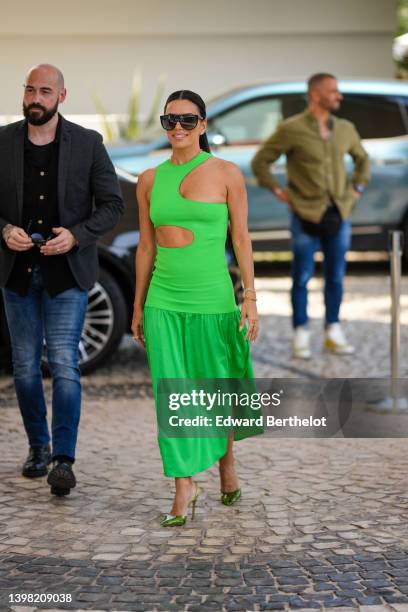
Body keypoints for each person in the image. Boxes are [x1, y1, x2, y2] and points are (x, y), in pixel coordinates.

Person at [132, 90, 261, 526]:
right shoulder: (149, 179)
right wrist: (137, 307)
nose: (179, 129)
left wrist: (251, 299)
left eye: (188, 121)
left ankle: (226, 464)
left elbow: (241, 240)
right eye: (171, 121)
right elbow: (145, 248)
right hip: (163, 301)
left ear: (203, 125)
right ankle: (184, 483)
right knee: (174, 394)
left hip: (213, 299)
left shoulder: (227, 173)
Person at [0, 64, 124, 496]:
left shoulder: (88, 144)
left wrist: (76, 236)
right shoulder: (3, 141)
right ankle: (38, 445)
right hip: (15, 272)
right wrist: (4, 230)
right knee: (25, 369)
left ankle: (62, 459)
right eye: (30, 90)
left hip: (67, 273)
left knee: (66, 365)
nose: (35, 98)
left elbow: (111, 205)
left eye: (45, 91)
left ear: (62, 96)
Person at [251, 73, 370, 359]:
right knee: (301, 277)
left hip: (339, 213)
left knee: (336, 276)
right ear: (315, 95)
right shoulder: (291, 129)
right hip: (304, 214)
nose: (339, 96)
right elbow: (260, 162)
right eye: (333, 91)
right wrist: (280, 193)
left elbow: (362, 159)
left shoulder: (345, 128)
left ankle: (333, 330)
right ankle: (301, 333)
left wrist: (357, 189)